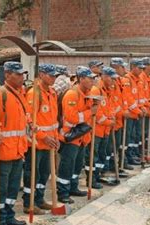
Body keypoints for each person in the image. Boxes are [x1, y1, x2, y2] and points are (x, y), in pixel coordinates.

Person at [0, 61, 29, 225]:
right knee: (0, 187)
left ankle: (9, 214)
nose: (22, 77)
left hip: (18, 150)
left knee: (13, 187)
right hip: (3, 151)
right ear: (7, 74)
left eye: (22, 74)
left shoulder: (20, 94)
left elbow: (24, 118)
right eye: (18, 74)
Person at [57, 66, 98, 204]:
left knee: (77, 165)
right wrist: (90, 112)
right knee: (67, 165)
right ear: (81, 79)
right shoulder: (72, 94)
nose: (93, 80)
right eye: (90, 78)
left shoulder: (87, 94)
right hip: (70, 136)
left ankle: (73, 187)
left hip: (81, 136)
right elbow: (73, 118)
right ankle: (63, 192)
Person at [23, 64, 59, 214]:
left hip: (49, 142)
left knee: (44, 174)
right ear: (42, 74)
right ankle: (28, 203)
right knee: (33, 174)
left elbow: (52, 120)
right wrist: (44, 137)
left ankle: (39, 199)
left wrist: (55, 138)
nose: (53, 78)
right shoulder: (34, 93)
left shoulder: (52, 92)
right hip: (37, 143)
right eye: (50, 75)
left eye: (55, 76)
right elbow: (30, 121)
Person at [110, 57, 135, 171]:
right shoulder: (110, 83)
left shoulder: (121, 81)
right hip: (112, 120)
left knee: (121, 143)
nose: (124, 69)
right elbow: (112, 104)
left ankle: (121, 162)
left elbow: (125, 99)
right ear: (115, 68)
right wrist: (122, 113)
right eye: (122, 67)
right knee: (111, 146)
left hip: (122, 117)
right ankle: (113, 166)